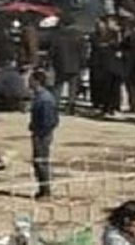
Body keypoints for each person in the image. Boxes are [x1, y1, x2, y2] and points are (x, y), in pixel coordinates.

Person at [29, 69, 59, 199]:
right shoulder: (41, 97)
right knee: (38, 162)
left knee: (41, 162)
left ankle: (45, 191)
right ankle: (43, 189)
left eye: (31, 80)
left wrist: (39, 132)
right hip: (40, 133)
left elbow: (49, 120)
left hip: (42, 135)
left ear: (36, 81)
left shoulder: (45, 99)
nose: (28, 82)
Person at [50, 14, 85, 115]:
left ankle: (55, 105)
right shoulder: (79, 35)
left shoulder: (58, 35)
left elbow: (53, 50)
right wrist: (83, 63)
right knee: (73, 86)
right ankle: (71, 105)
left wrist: (51, 61)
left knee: (58, 86)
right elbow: (82, 51)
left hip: (60, 63)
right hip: (75, 64)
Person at [90, 17, 125, 116]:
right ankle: (100, 105)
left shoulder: (115, 34)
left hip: (112, 65)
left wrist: (118, 34)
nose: (100, 26)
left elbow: (119, 45)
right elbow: (97, 45)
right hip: (98, 64)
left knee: (113, 87)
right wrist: (107, 45)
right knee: (99, 86)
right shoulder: (94, 35)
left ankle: (114, 107)